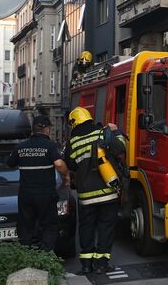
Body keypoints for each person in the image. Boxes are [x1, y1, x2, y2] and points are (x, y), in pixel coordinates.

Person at [64, 106, 126, 275]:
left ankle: (86, 265)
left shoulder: (72, 142)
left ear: (74, 123)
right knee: (106, 227)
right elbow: (120, 148)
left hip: (85, 196)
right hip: (107, 192)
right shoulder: (101, 133)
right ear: (89, 118)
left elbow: (70, 165)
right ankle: (101, 264)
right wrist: (117, 132)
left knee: (86, 228)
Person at [7, 115, 70, 252]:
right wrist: (66, 176)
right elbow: (59, 164)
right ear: (47, 130)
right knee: (49, 226)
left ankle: (27, 257)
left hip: (26, 195)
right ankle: (46, 257)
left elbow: (10, 163)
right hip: (45, 194)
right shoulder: (50, 146)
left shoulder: (21, 147)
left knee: (26, 227)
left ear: (33, 130)